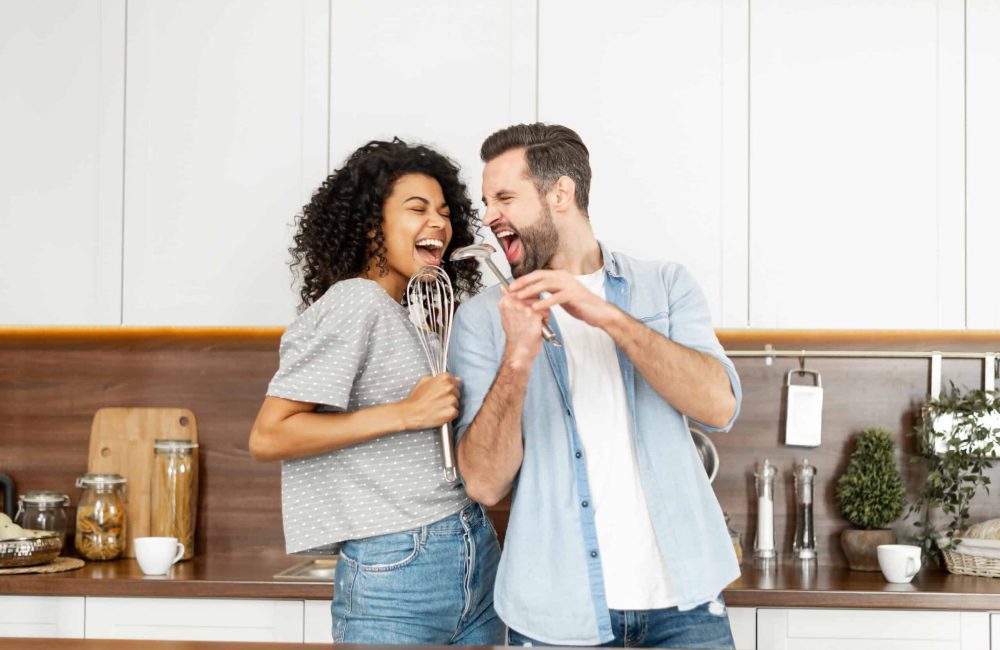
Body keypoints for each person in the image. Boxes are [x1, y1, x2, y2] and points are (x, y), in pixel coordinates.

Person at [448, 123, 742, 648]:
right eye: (487, 201)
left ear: (560, 192)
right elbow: (484, 484)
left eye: (506, 198)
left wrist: (610, 318)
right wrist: (516, 357)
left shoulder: (664, 285)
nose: (489, 216)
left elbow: (719, 405)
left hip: (686, 604)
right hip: (556, 613)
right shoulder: (482, 317)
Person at [249, 138, 503, 645]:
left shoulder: (418, 313)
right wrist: (406, 413)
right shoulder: (355, 300)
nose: (439, 222)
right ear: (371, 226)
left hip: (473, 547)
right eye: (417, 209)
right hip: (397, 562)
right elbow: (269, 434)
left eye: (445, 211)